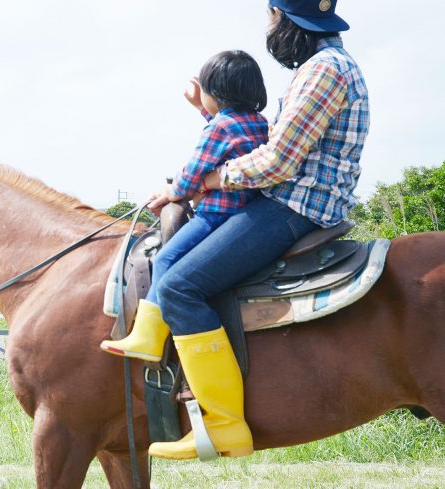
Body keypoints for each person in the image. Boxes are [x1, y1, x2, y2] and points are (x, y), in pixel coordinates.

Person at [112, 0, 369, 461]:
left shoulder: (322, 71)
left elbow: (276, 161)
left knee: (179, 285)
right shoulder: (328, 65)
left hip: (293, 207)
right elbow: (257, 141)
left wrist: (203, 182)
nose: (268, 27)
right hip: (295, 201)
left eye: (271, 16)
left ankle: (223, 424)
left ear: (287, 18)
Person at [101, 49, 269, 362]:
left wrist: (170, 193)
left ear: (216, 93)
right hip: (246, 212)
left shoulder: (219, 128)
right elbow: (231, 139)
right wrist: (203, 109)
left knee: (167, 258)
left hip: (215, 215)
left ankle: (147, 336)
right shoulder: (258, 123)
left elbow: (192, 173)